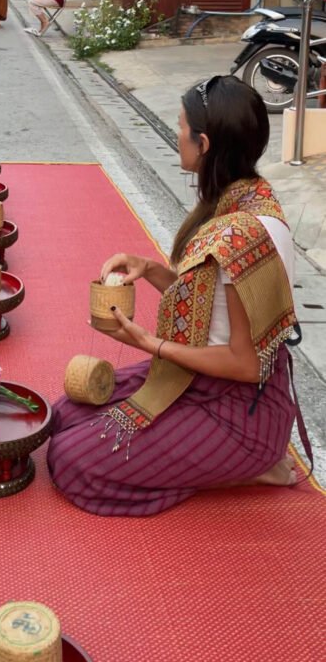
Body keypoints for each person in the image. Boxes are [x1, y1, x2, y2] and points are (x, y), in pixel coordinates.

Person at [47, 75, 305, 516]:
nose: (175, 132)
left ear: (203, 143)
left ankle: (250, 466)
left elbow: (245, 363)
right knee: (66, 413)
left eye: (181, 125)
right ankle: (205, 461)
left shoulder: (241, 234)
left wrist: (151, 344)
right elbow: (214, 307)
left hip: (241, 409)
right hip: (201, 377)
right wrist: (148, 269)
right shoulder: (243, 195)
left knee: (71, 461)